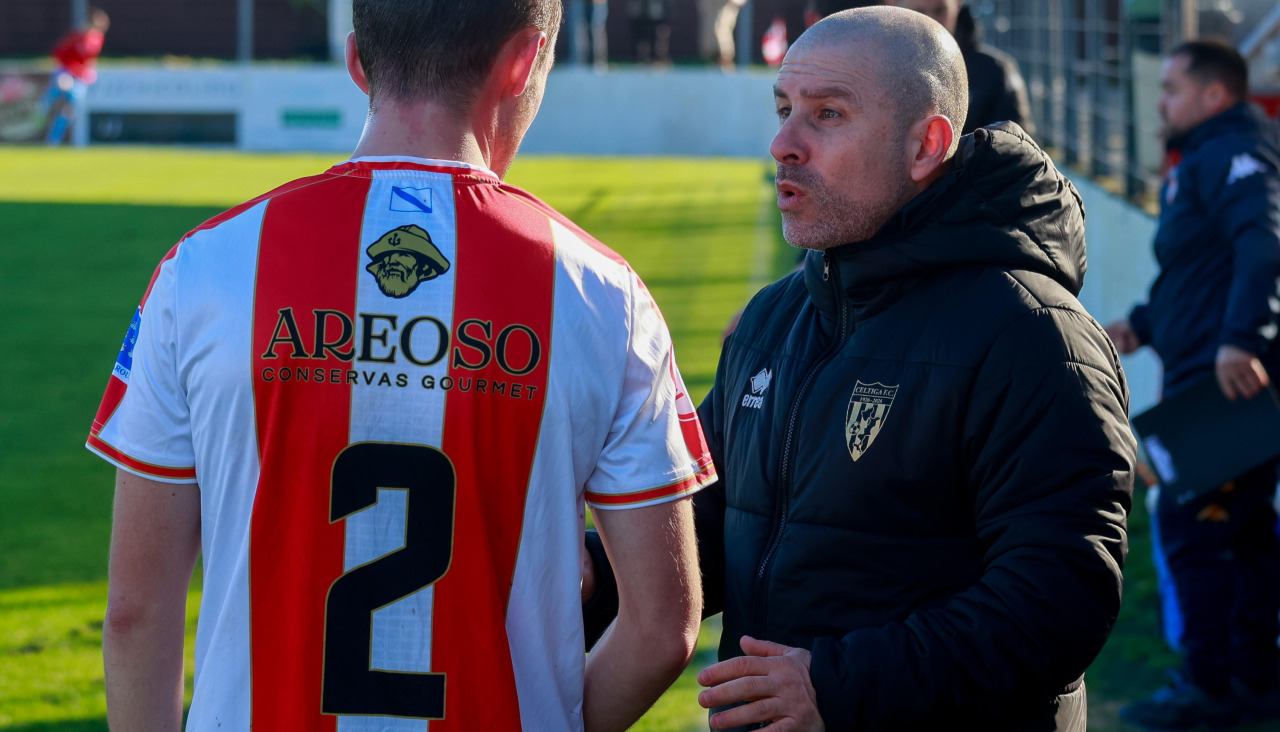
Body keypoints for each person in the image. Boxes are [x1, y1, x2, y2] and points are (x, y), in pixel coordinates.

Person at [89, 1, 715, 730]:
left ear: (356, 61)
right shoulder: (606, 296)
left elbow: (137, 611)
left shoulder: (202, 269)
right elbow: (664, 627)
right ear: (522, 63)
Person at [583, 7, 1136, 730]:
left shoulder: (1032, 336)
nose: (784, 144)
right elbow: (722, 526)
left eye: (828, 114)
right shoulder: (773, 320)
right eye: (784, 110)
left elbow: (1058, 600)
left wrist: (839, 686)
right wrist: (597, 575)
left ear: (926, 144)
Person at [1105, 39, 1280, 730]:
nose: (1160, 100)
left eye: (1172, 88)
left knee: (1188, 524)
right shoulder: (1205, 158)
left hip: (1229, 389)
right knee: (1244, 534)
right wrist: (1145, 323)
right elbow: (1199, 272)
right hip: (1211, 378)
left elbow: (1263, 242)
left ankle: (1206, 689)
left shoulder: (1235, 152)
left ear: (1214, 95)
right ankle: (1257, 682)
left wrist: (1241, 339)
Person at [893, 0, 1035, 135]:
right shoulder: (878, 67)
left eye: (940, 10)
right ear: (894, 6)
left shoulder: (994, 72)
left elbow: (1017, 149)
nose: (931, 22)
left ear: (958, 4)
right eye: (919, 12)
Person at [39, 8, 109, 145]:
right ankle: (42, 109)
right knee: (60, 86)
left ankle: (53, 140)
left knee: (70, 110)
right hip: (68, 72)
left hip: (80, 77)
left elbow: (89, 60)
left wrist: (89, 72)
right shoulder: (78, 36)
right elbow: (60, 52)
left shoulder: (99, 39)